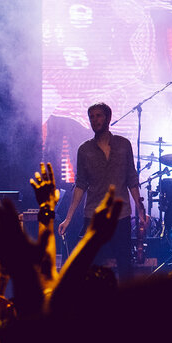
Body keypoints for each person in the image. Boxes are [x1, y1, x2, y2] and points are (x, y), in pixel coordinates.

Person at [57, 103, 146, 283]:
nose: (95, 120)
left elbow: (132, 178)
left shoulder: (123, 145)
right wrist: (68, 218)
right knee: (91, 265)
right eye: (92, 117)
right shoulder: (85, 149)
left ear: (108, 118)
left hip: (120, 215)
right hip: (94, 215)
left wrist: (140, 208)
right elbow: (80, 184)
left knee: (125, 264)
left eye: (98, 116)